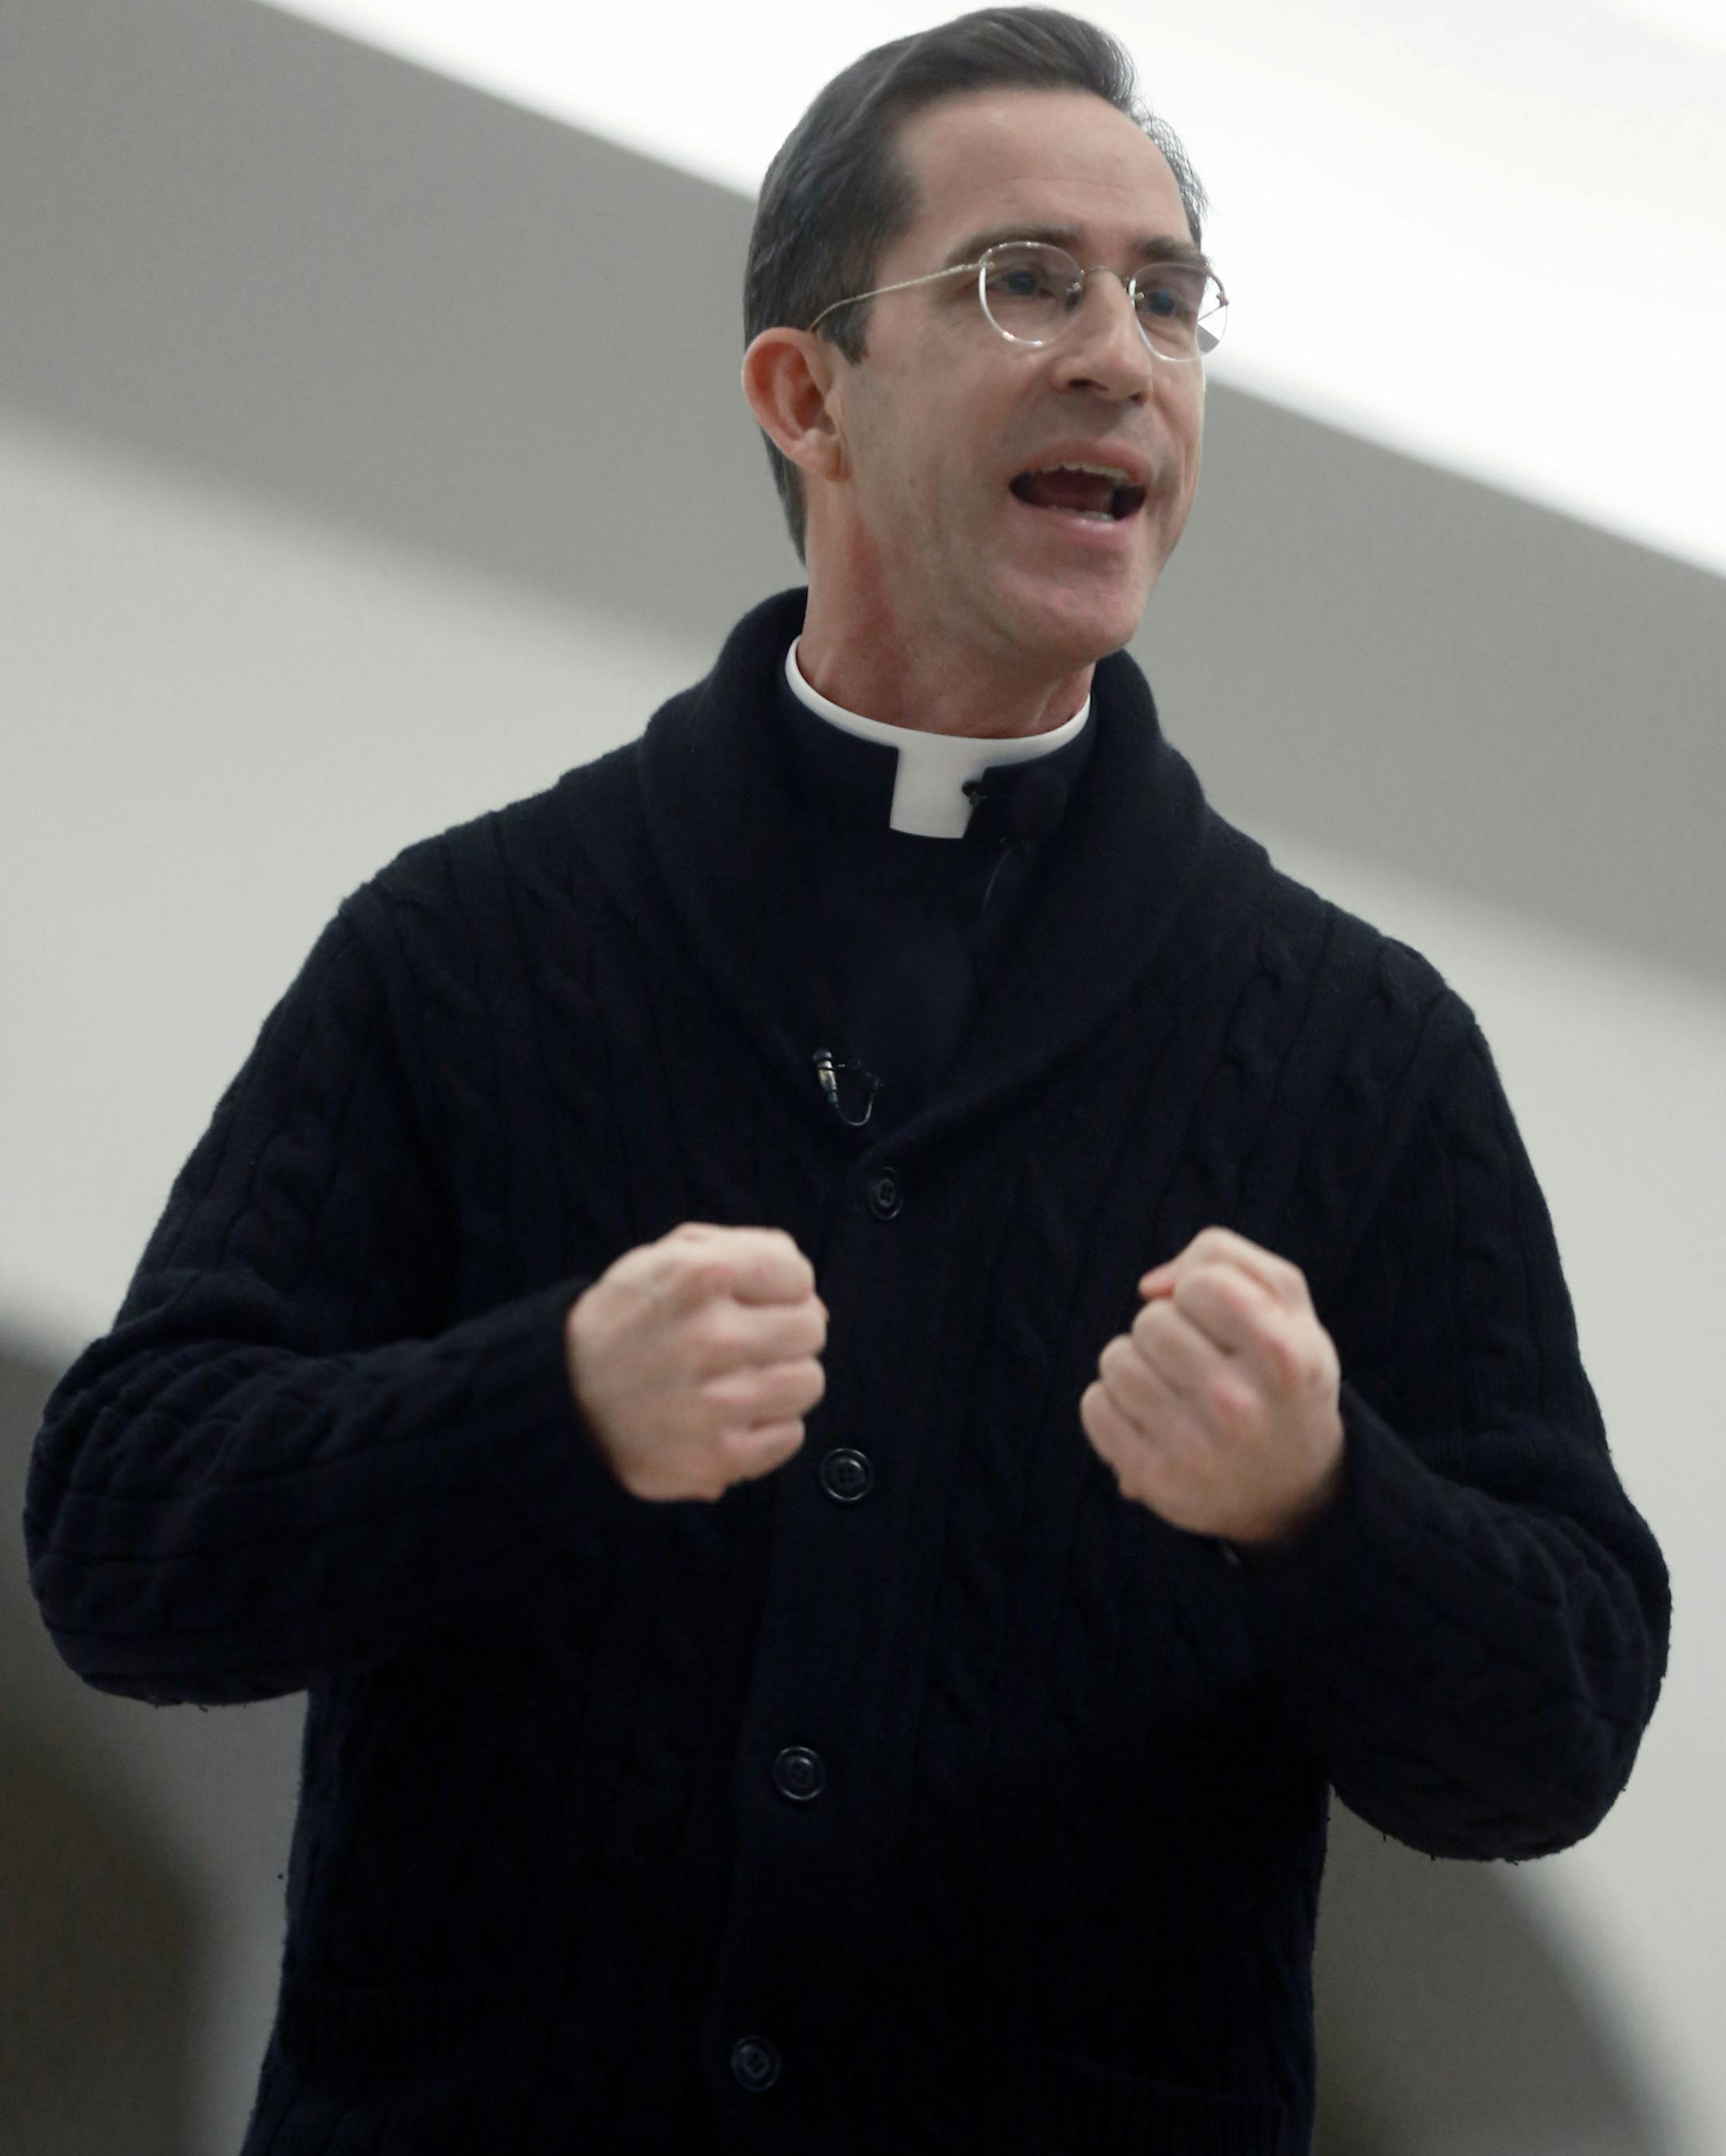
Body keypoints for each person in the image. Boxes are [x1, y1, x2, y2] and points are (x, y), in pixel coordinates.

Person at [22, 8, 1669, 2154]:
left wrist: (1327, 1501)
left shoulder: (1362, 1050)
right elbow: (117, 1536)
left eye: (1169, 299)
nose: (1121, 350)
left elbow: (1558, 1724)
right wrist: (540, 1401)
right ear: (807, 393)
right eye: (1026, 280)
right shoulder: (467, 948)